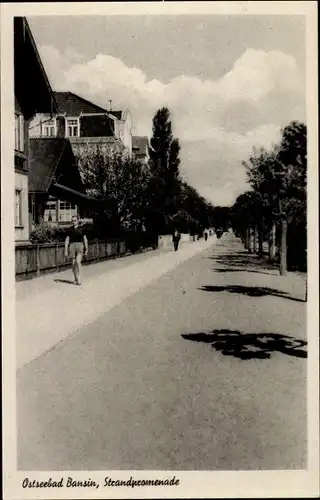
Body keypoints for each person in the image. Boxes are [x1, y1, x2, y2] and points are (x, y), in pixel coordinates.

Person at [64, 215, 88, 285]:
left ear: (78, 221)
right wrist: (65, 249)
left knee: (78, 261)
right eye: (72, 221)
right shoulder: (70, 229)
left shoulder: (82, 229)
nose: (73, 222)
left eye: (75, 220)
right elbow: (67, 240)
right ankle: (75, 279)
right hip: (71, 246)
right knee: (73, 264)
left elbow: (85, 239)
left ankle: (79, 278)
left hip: (80, 246)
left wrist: (86, 248)